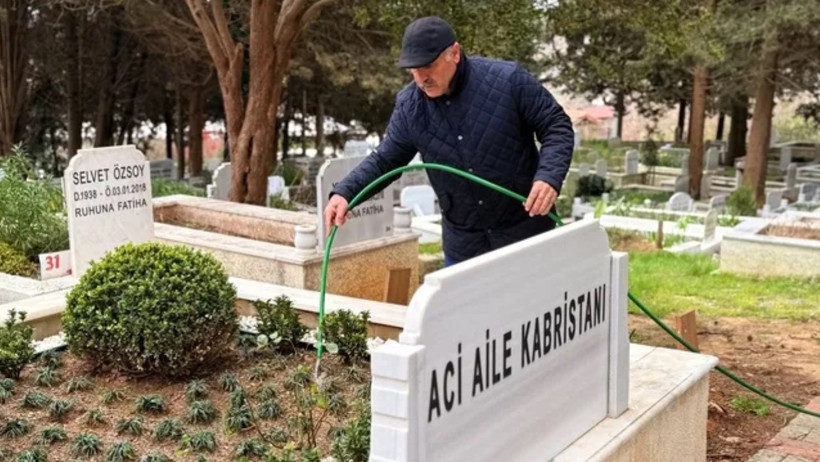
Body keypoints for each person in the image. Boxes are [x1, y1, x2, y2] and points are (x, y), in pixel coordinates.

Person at [324, 16, 574, 266]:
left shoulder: (508, 80)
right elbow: (385, 160)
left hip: (526, 235)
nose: (420, 78)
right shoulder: (409, 107)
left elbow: (556, 125)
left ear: (454, 53)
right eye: (413, 69)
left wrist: (549, 176)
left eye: (428, 66)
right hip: (464, 247)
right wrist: (346, 192)